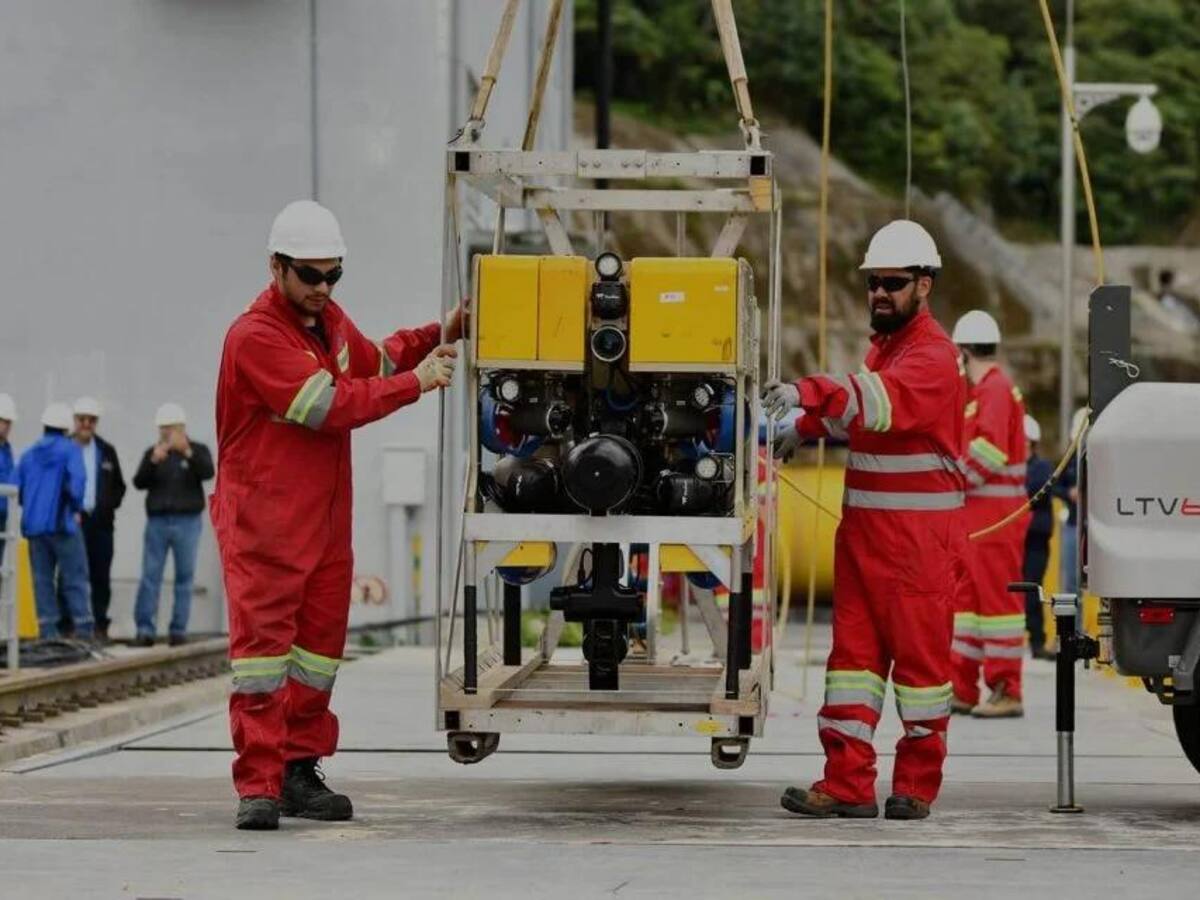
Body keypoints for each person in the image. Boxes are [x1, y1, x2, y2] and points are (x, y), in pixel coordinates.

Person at [213, 200, 460, 831]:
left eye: (334, 274)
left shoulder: (329, 323)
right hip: (265, 528)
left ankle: (298, 771)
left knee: (317, 656)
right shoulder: (255, 337)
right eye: (310, 275)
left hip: (322, 529)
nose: (323, 287)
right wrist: (419, 382)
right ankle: (259, 786)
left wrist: (442, 331)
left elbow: (376, 360)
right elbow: (327, 406)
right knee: (263, 660)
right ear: (276, 267)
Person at [766, 220, 965, 821]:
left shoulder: (933, 357)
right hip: (864, 541)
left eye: (893, 283)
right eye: (873, 283)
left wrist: (807, 393)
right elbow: (864, 411)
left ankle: (916, 786)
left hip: (918, 549)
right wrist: (803, 427)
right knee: (851, 668)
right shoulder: (886, 350)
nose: (879, 293)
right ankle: (847, 783)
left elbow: (878, 402)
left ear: (924, 286)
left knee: (922, 673)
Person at [949, 310, 1031, 719]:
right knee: (966, 606)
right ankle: (961, 687)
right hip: (979, 520)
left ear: (963, 352)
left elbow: (989, 451)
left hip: (995, 519)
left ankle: (1006, 689)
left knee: (998, 606)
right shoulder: (984, 392)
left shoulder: (994, 389)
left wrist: (949, 483)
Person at [132, 403, 214, 647]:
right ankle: (145, 629)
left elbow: (208, 472)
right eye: (163, 428)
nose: (167, 433)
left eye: (171, 428)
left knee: (184, 577)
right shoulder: (154, 453)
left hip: (187, 522)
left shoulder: (198, 450)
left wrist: (187, 451)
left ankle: (178, 630)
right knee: (150, 576)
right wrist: (153, 461)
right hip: (158, 521)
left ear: (182, 428)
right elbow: (138, 482)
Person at [16, 403, 93, 640]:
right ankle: (83, 629)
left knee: (42, 581)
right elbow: (77, 484)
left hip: (34, 527)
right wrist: (75, 508)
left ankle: (48, 632)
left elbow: (16, 488)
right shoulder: (71, 450)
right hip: (63, 525)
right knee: (75, 577)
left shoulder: (28, 454)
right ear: (67, 427)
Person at [57, 397, 125, 641]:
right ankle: (67, 625)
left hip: (100, 523)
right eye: (82, 419)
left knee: (100, 575)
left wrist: (106, 507)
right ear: (74, 421)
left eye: (91, 420)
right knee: (68, 575)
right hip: (70, 522)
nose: (86, 424)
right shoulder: (63, 448)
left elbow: (119, 486)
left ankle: (99, 624)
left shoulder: (106, 451)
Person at [1021, 414, 1054, 660]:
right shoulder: (1011, 468)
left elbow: (1035, 492)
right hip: (1014, 539)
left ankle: (1037, 642)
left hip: (1034, 540)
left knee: (1032, 589)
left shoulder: (1041, 468)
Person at [0, 394, 17, 570]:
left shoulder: (7, 448)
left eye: (8, 422)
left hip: (3, 513)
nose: (6, 426)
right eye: (3, 421)